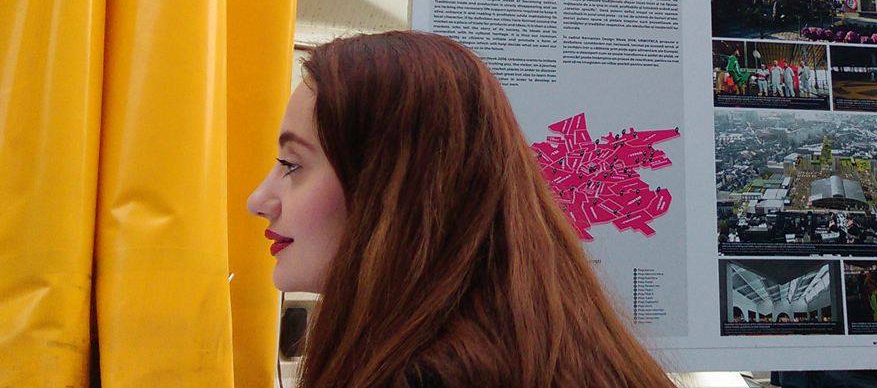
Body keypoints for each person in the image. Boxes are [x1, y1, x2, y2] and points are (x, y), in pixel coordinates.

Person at [246, 31, 675, 388]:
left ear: (395, 186)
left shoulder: (433, 374)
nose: (258, 201)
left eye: (292, 164)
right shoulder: (552, 340)